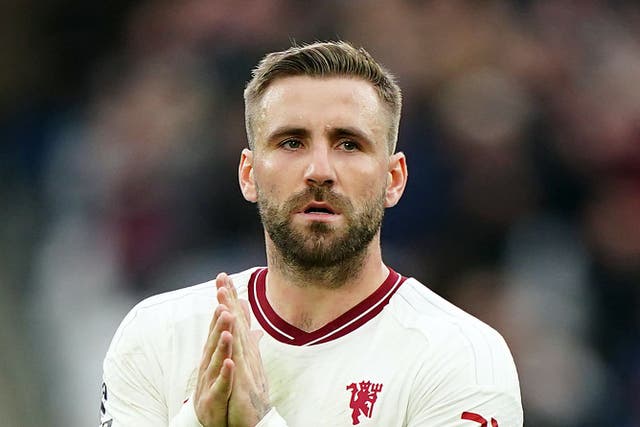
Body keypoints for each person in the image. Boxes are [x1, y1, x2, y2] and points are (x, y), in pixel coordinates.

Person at [100, 41, 523, 427]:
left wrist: (257, 422)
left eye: (349, 144)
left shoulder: (462, 356)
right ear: (249, 175)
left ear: (393, 179)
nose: (319, 170)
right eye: (291, 142)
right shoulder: (157, 336)